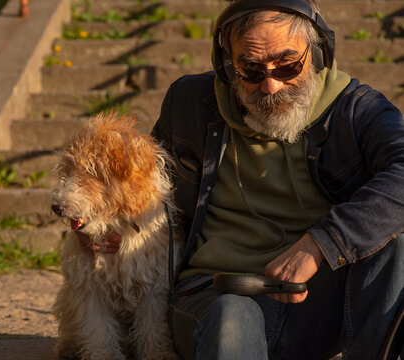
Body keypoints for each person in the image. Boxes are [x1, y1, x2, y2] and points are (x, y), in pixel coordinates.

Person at [76, 0, 404, 358]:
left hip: (319, 300)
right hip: (213, 293)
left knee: (395, 241)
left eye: (288, 65)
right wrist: (103, 222)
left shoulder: (356, 109)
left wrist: (323, 243)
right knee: (232, 316)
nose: (271, 86)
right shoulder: (188, 102)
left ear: (319, 52)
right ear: (226, 65)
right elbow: (138, 184)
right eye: (250, 69)